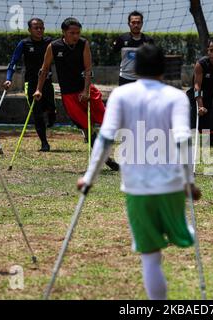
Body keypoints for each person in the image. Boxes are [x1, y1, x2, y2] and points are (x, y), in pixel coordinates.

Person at [77, 44, 201, 300]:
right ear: (163, 69)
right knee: (182, 234)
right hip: (172, 186)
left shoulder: (122, 96)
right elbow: (183, 140)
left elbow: (105, 139)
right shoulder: (176, 97)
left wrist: (89, 177)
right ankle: (184, 230)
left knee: (150, 257)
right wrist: (189, 180)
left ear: (134, 69)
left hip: (137, 188)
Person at [33, 17, 119, 170]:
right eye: (72, 33)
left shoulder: (83, 44)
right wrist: (38, 89)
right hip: (68, 94)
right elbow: (44, 69)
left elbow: (88, 69)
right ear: (64, 33)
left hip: (85, 89)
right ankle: (106, 157)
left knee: (106, 118)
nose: (75, 36)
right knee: (85, 126)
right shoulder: (53, 46)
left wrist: (86, 90)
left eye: (78, 33)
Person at [3, 18, 56, 152]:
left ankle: (52, 114)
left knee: (50, 108)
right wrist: (9, 78)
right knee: (37, 113)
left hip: (47, 82)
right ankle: (44, 143)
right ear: (29, 30)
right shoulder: (24, 44)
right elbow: (13, 62)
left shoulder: (50, 42)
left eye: (41, 28)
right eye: (36, 28)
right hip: (31, 83)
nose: (39, 30)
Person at [112, 11, 154, 86]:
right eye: (133, 22)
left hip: (142, 78)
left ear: (142, 23)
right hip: (124, 77)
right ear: (129, 24)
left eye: (138, 22)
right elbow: (114, 51)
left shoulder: (148, 40)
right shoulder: (122, 39)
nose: (136, 25)